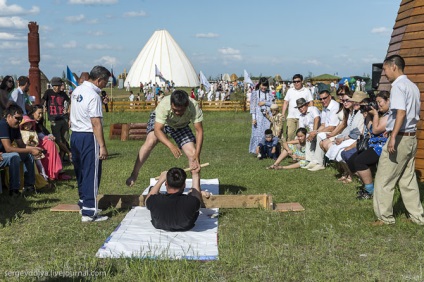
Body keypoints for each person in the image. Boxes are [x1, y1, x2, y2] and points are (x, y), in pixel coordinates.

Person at [373, 55, 424, 225]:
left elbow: (401, 112)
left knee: (383, 178)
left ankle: (384, 217)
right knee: (407, 179)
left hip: (400, 138)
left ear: (393, 66)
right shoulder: (413, 86)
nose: (385, 73)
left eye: (385, 69)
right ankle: (417, 216)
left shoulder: (398, 87)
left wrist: (393, 135)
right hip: (411, 137)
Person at [126, 90, 204, 187]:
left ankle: (196, 189)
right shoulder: (164, 105)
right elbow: (157, 130)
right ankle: (134, 173)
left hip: (181, 125)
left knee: (193, 154)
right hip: (162, 122)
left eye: (181, 111)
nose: (177, 112)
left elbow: (199, 131)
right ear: (171, 104)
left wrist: (197, 153)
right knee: (151, 141)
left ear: (187, 104)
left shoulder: (194, 107)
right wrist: (171, 146)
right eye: (175, 109)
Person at [70, 65, 111, 222]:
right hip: (88, 136)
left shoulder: (77, 91)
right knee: (91, 172)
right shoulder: (93, 96)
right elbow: (96, 123)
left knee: (81, 171)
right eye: (106, 81)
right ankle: (89, 212)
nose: (106, 85)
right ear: (99, 80)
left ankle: (84, 203)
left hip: (75, 134)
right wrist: (102, 146)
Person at [346, 91, 390, 199]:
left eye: (380, 102)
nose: (378, 105)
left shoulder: (388, 116)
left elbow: (375, 130)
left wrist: (375, 114)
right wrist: (368, 116)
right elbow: (369, 129)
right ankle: (367, 184)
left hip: (380, 146)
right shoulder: (378, 114)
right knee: (351, 161)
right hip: (372, 145)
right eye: (377, 102)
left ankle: (370, 191)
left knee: (360, 161)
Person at [145, 167, 210, 231]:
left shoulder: (155, 200)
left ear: (166, 183)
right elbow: (196, 198)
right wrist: (195, 175)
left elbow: (146, 202)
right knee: (192, 192)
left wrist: (160, 180)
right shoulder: (191, 201)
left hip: (159, 224)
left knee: (152, 189)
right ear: (184, 185)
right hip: (185, 226)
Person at [0, 104, 43, 196]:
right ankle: (14, 190)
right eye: (17, 118)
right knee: (14, 156)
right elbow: (8, 149)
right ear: (9, 116)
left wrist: (35, 149)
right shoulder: (3, 125)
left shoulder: (14, 126)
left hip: (3, 154)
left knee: (28, 155)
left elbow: (22, 145)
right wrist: (31, 150)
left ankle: (29, 187)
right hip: (3, 155)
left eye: (21, 119)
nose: (19, 121)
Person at [28, 104, 70, 181]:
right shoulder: (29, 122)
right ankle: (52, 172)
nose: (40, 115)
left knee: (51, 143)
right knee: (50, 143)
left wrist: (49, 136)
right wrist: (47, 137)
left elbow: (44, 132)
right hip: (33, 144)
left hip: (41, 142)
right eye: (39, 113)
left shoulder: (38, 122)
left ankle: (54, 171)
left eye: (42, 113)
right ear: (33, 113)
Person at [303, 86, 340, 171]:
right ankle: (310, 159)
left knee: (319, 135)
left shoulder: (334, 106)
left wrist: (316, 132)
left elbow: (332, 127)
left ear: (330, 97)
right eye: (321, 99)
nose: (323, 101)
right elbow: (323, 124)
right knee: (309, 133)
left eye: (325, 98)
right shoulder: (324, 107)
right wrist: (314, 132)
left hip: (335, 132)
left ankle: (319, 162)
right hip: (328, 130)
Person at [41, 77, 72, 164]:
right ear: (53, 86)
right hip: (54, 119)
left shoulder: (63, 94)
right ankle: (70, 153)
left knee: (65, 139)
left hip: (64, 118)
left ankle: (61, 159)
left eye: (59, 86)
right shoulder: (48, 92)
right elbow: (42, 101)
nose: (57, 88)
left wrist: (68, 110)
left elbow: (70, 101)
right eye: (56, 86)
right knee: (58, 140)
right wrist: (41, 108)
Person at [281, 74, 313, 141]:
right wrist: (283, 114)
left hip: (302, 117)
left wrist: (309, 114)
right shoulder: (290, 90)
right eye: (294, 81)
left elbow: (311, 102)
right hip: (291, 117)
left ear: (302, 81)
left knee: (300, 136)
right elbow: (285, 102)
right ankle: (289, 150)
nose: (296, 83)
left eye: (298, 81)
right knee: (289, 135)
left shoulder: (306, 91)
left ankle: (299, 150)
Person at [249, 77, 274, 154]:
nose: (264, 87)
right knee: (257, 133)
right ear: (259, 84)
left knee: (266, 132)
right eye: (262, 85)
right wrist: (254, 118)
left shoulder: (269, 93)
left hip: (268, 117)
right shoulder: (255, 93)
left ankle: (266, 150)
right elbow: (252, 107)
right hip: (258, 117)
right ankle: (255, 150)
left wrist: (264, 103)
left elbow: (273, 104)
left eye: (265, 86)